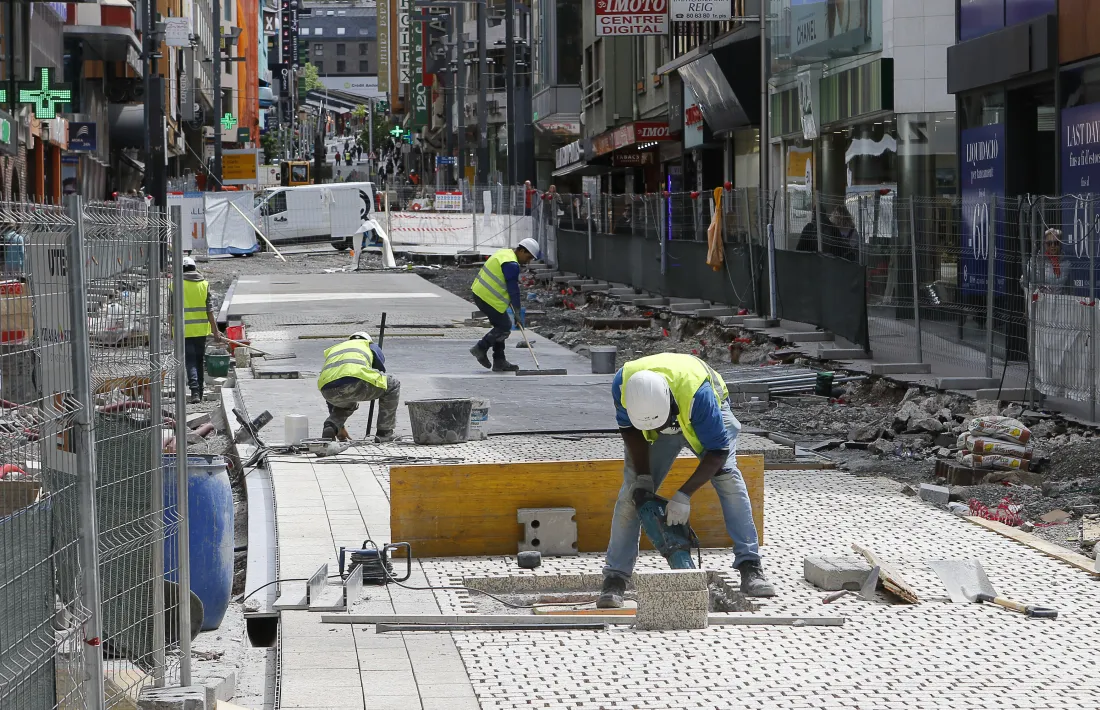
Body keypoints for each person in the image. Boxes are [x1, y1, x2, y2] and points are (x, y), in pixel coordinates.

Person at [597, 353, 774, 608]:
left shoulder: (699, 396)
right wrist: (643, 478)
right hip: (661, 412)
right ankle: (615, 578)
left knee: (728, 479)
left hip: (707, 412)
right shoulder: (623, 386)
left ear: (670, 403)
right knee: (631, 493)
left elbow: (718, 452)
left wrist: (684, 495)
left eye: (662, 425)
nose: (661, 432)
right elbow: (630, 431)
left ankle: (750, 566)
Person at [469, 238, 540, 372]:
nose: (528, 261)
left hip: (482, 294)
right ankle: (480, 348)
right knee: (504, 326)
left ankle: (499, 361)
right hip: (487, 297)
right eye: (528, 257)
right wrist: (517, 312)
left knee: (501, 326)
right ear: (522, 250)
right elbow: (513, 290)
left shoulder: (505, 254)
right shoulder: (511, 264)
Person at [317, 331, 401, 443]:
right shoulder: (369, 346)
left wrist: (340, 427)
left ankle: (332, 425)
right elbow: (380, 372)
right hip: (353, 382)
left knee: (347, 402)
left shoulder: (336, 348)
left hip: (327, 390)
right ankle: (385, 432)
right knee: (392, 384)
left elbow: (333, 393)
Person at [176, 256, 226, 404]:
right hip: (200, 330)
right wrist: (215, 331)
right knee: (199, 360)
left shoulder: (176, 285)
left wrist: (172, 331)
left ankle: (195, 392)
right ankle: (200, 390)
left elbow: (171, 313)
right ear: (194, 268)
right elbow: (210, 311)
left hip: (183, 331)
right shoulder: (204, 284)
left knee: (190, 360)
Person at [1024, 228, 1072, 294]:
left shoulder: (1067, 264)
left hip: (1060, 300)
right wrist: (1034, 293)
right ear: (1044, 244)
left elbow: (1070, 288)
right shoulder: (1035, 262)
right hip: (1041, 299)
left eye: (1056, 243)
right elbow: (1024, 281)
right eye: (1049, 243)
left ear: (1060, 244)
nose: (1053, 246)